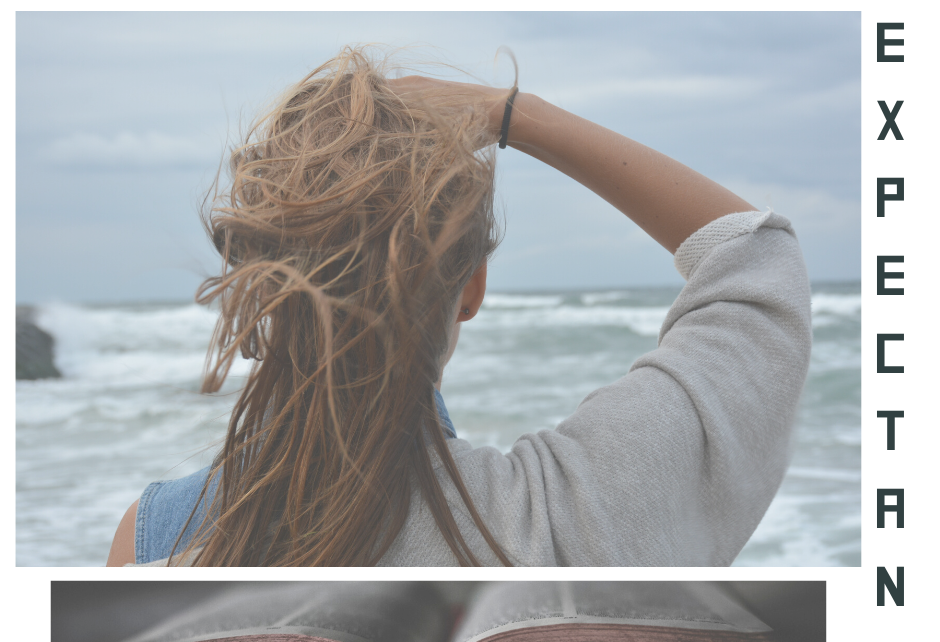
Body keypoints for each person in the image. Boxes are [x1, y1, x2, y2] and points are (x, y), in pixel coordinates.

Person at [107, 46, 811, 567]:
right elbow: (755, 261)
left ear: (260, 282)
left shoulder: (156, 539)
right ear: (470, 287)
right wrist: (514, 115)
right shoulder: (571, 518)